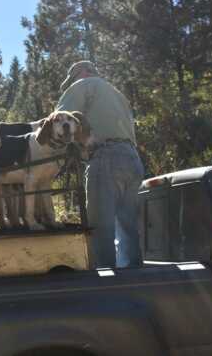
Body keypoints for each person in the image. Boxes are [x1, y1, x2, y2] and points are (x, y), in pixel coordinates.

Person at [56, 61, 144, 268]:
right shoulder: (117, 94)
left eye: (73, 78)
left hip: (106, 157)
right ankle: (134, 278)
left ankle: (104, 283)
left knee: (100, 227)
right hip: (132, 158)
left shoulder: (83, 85)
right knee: (128, 226)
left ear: (82, 73)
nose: (73, 82)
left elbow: (59, 120)